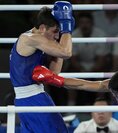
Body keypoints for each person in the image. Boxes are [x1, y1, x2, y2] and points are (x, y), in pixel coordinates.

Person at [9, 1, 75, 133]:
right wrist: (67, 29)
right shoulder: (30, 38)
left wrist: (59, 40)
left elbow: (54, 73)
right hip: (33, 99)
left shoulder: (40, 42)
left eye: (59, 32)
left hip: (31, 98)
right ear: (43, 27)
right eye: (55, 31)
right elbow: (67, 52)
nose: (57, 35)